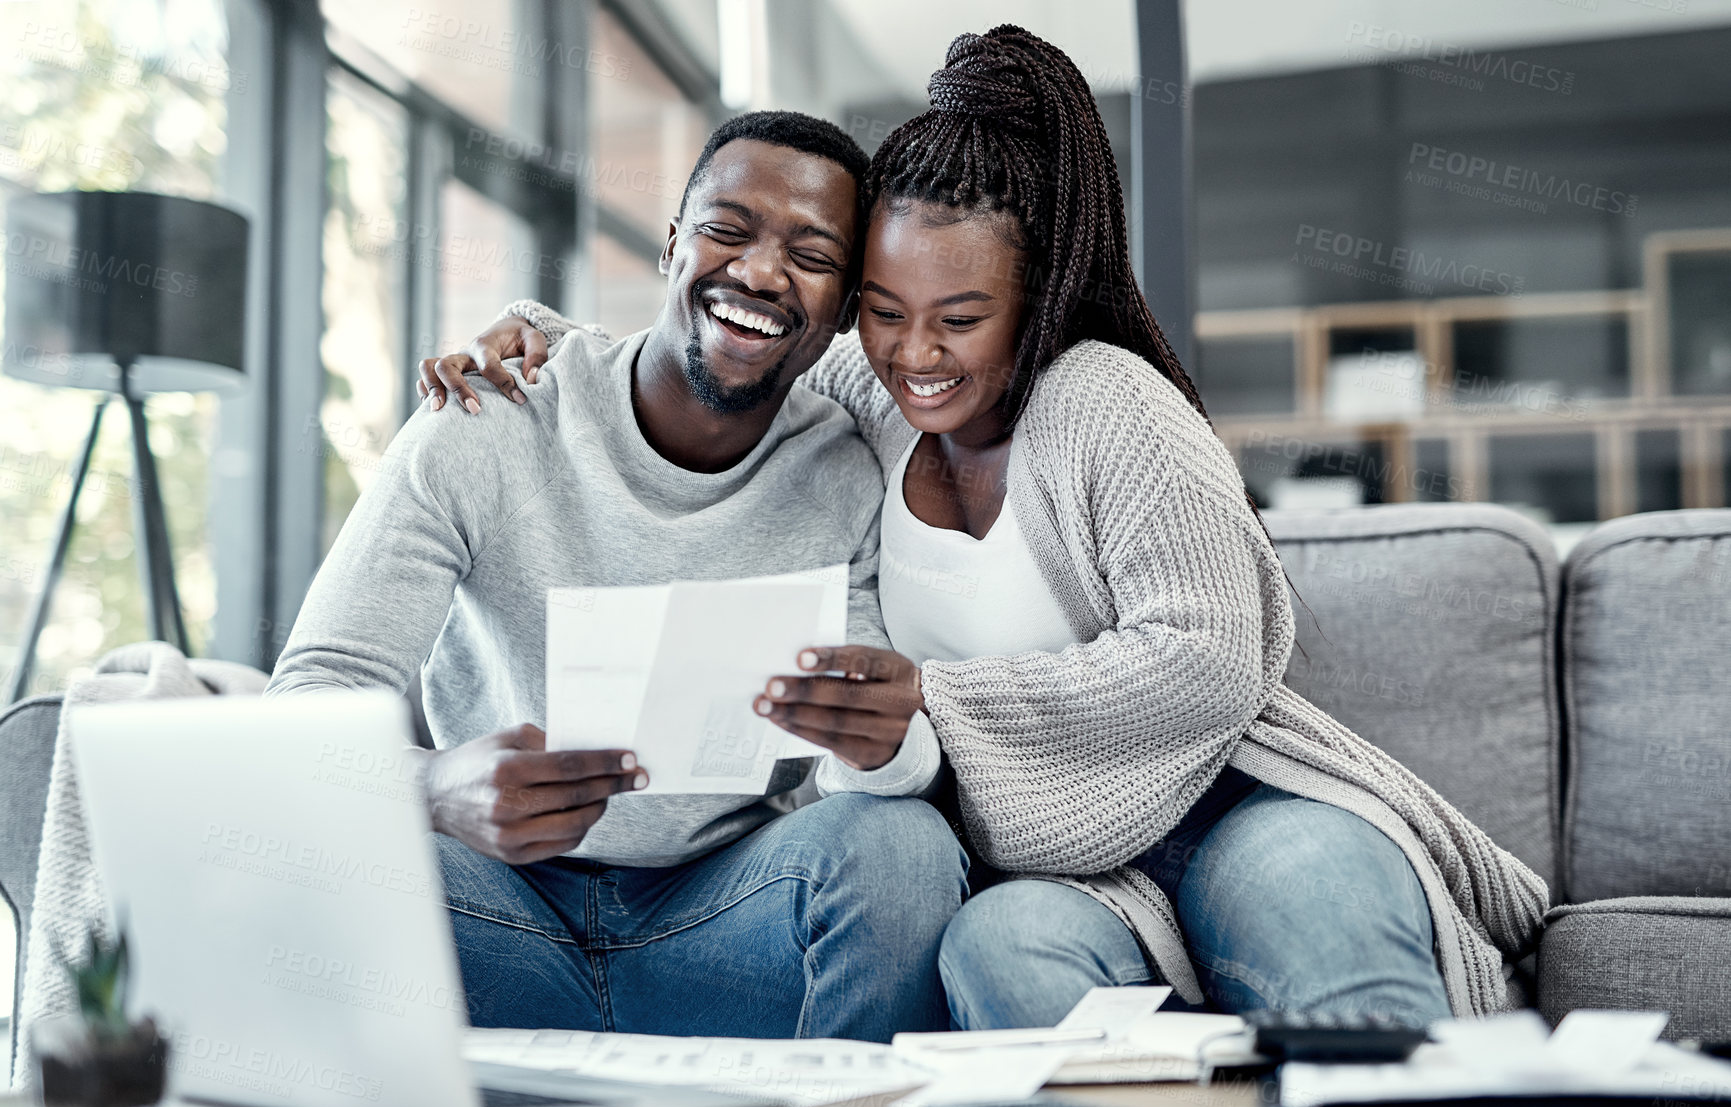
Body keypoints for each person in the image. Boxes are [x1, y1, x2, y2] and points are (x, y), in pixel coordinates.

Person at [417, 27, 1548, 1031]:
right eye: (885, 312)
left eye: (962, 320)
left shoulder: (1106, 401)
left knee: (1329, 968)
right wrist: (549, 348)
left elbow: (1209, 658)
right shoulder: (873, 399)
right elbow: (726, 347)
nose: (917, 355)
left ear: (1037, 299)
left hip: (1230, 807)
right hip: (1069, 877)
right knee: (998, 953)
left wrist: (934, 704)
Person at [267, 111, 969, 1044]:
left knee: (903, 848)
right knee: (308, 853)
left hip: (723, 916)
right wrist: (434, 789)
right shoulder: (482, 423)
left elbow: (864, 763)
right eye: (728, 229)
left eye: (809, 253)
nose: (760, 273)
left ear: (842, 312)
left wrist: (887, 747)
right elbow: (304, 706)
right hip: (493, 904)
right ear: (674, 244)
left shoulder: (844, 473)